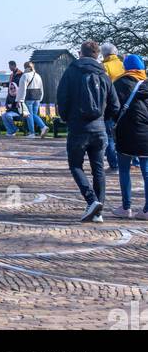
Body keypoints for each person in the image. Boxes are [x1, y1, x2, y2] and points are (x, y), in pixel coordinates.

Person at [56, 39, 119, 222]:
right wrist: (103, 119)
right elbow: (115, 105)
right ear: (98, 55)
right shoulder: (103, 74)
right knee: (98, 169)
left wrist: (68, 119)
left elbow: (62, 99)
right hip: (99, 128)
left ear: (80, 53)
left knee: (76, 165)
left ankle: (92, 201)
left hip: (78, 127)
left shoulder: (71, 72)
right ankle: (98, 210)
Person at [111, 55, 148, 218]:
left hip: (125, 132)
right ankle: (147, 210)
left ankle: (126, 207)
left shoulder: (119, 83)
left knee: (124, 170)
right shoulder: (146, 83)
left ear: (126, 67)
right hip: (146, 132)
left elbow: (112, 106)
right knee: (146, 172)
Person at [101, 42, 125, 171]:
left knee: (109, 136)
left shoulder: (103, 67)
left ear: (103, 54)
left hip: (110, 106)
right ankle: (133, 160)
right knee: (125, 134)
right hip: (126, 104)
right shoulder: (123, 65)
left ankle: (114, 164)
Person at [18, 61, 47, 138]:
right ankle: (43, 127)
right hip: (37, 96)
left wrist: (20, 99)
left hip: (29, 96)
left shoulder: (25, 76)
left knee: (29, 115)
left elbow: (22, 89)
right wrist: (41, 97)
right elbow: (41, 87)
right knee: (34, 114)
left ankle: (32, 132)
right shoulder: (38, 75)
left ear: (25, 67)